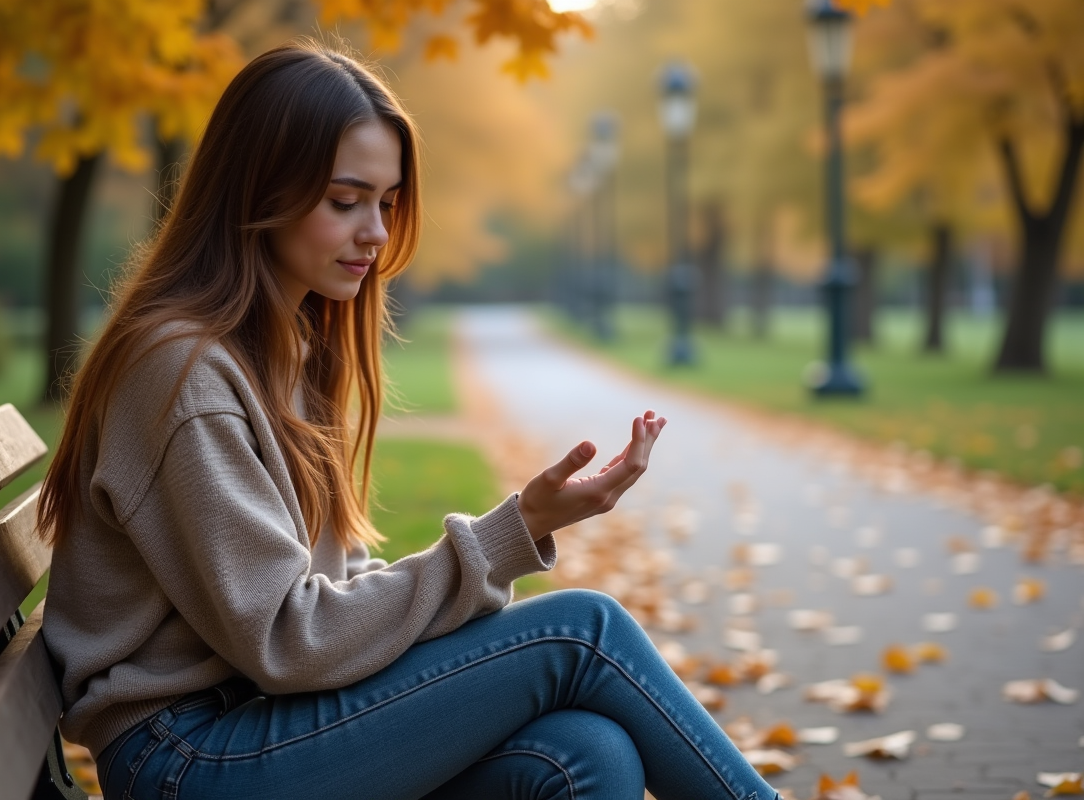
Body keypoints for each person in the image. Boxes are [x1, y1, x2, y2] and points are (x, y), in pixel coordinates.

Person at [39, 41, 780, 800]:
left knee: (587, 754)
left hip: (255, 728)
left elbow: (323, 598)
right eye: (344, 200)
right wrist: (507, 532)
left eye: (386, 203)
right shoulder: (182, 372)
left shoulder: (278, 350)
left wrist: (516, 533)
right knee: (585, 632)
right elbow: (288, 639)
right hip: (188, 760)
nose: (378, 234)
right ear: (255, 191)